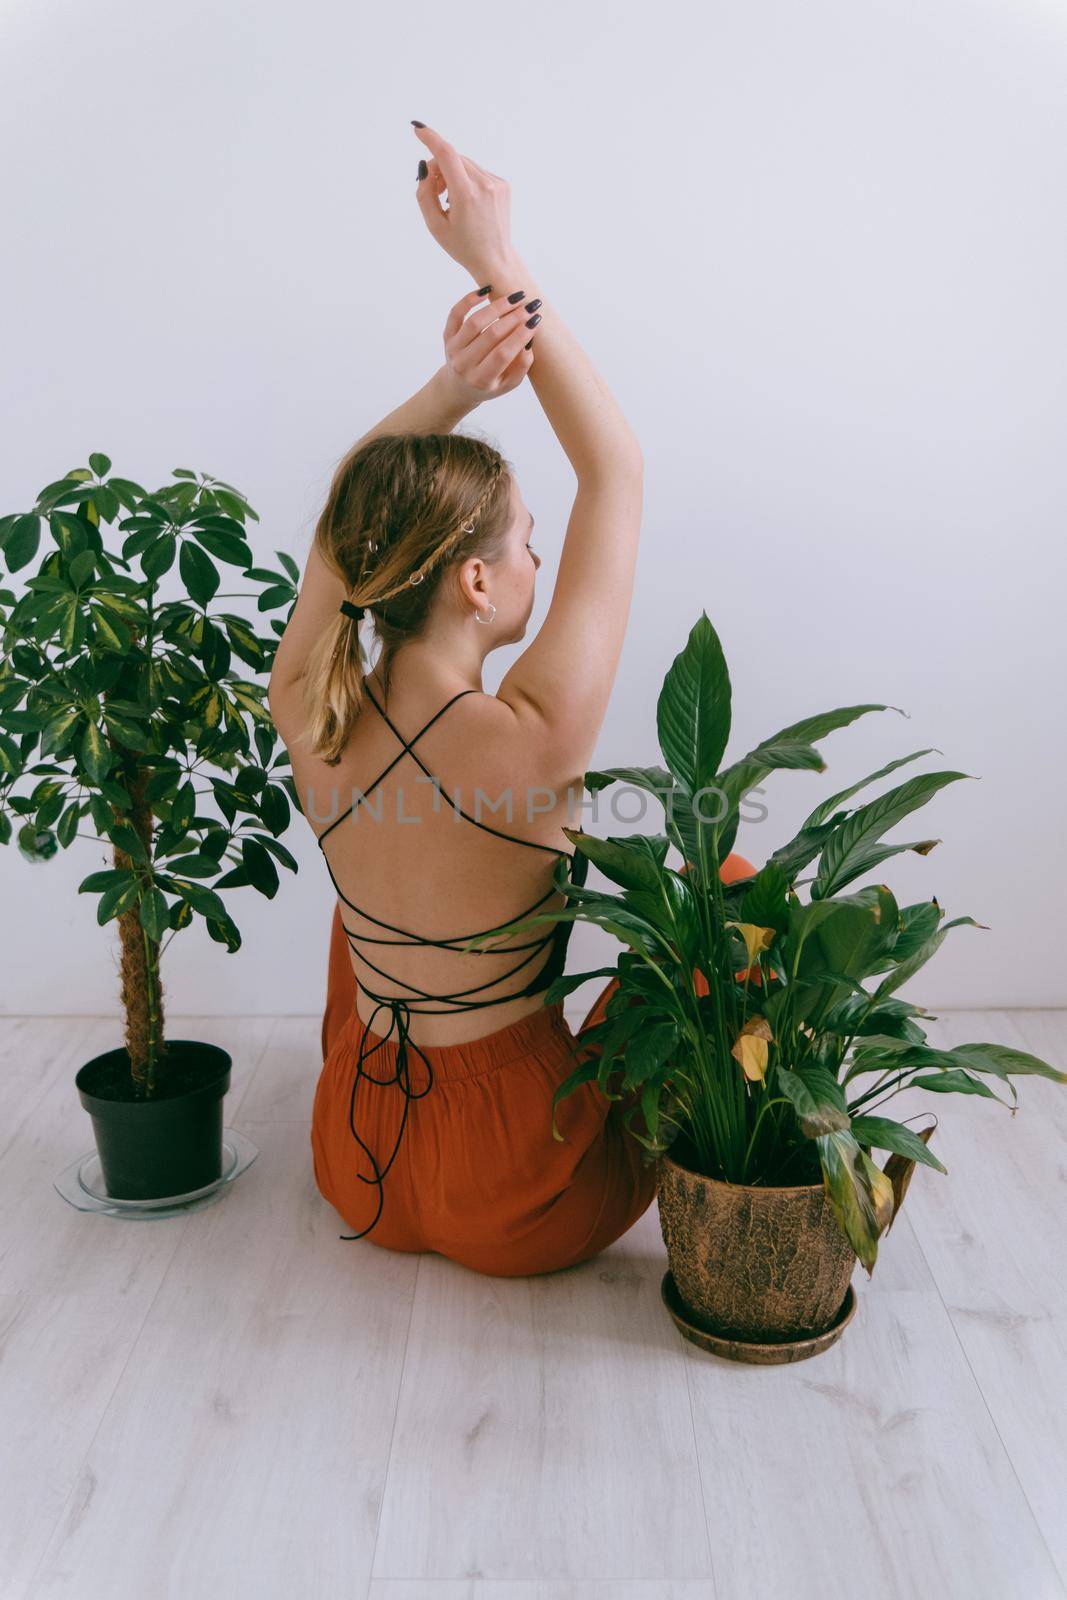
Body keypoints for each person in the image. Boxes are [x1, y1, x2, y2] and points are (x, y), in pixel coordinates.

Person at [268, 121, 754, 1277]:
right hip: (519, 1188)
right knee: (725, 890)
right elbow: (616, 470)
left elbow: (351, 505)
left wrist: (450, 388)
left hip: (360, 1161)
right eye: (528, 545)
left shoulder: (310, 702)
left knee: (365, 923)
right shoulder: (528, 737)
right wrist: (499, 262)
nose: (541, 561)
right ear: (476, 580)